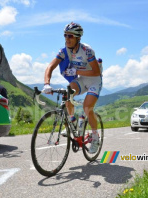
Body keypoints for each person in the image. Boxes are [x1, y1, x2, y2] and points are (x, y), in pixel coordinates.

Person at [43, 22, 102, 154]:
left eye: (70, 36)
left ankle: (95, 137)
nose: (67, 39)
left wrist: (77, 71)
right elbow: (50, 67)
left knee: (87, 108)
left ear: (78, 38)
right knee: (67, 94)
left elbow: (96, 72)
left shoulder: (87, 50)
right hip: (81, 80)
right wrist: (47, 83)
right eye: (65, 35)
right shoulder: (64, 51)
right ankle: (72, 121)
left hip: (94, 80)